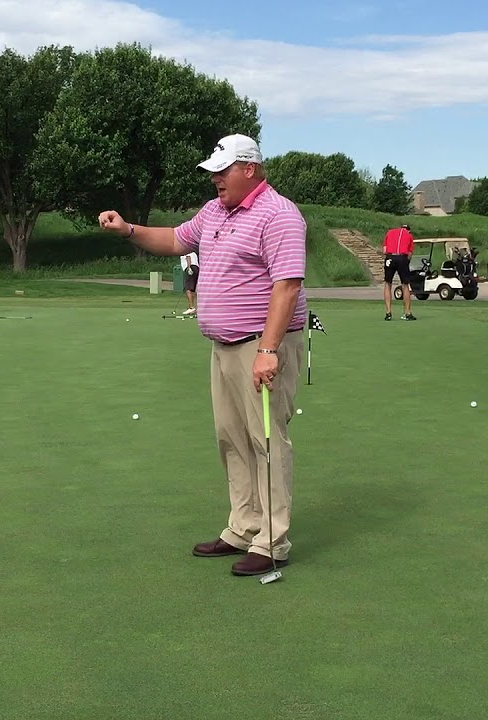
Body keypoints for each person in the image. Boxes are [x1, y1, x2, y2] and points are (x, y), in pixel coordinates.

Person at [98, 133, 307, 577]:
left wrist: (268, 350)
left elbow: (287, 286)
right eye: (213, 170)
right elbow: (175, 239)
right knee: (231, 437)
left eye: (223, 169)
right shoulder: (215, 212)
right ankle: (243, 526)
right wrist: (128, 229)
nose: (215, 178)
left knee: (266, 439)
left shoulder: (280, 214)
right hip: (224, 346)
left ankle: (272, 541)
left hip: (262, 344)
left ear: (249, 168)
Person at [383, 223, 416, 321]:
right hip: (402, 257)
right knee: (405, 284)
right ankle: (407, 313)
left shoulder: (390, 232)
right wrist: (406, 262)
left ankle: (388, 313)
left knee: (387, 284)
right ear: (408, 230)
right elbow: (409, 254)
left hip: (390, 257)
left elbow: (384, 250)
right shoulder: (409, 235)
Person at [180, 250, 200, 314]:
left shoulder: (185, 249)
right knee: (193, 289)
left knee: (188, 288)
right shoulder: (193, 252)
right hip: (196, 268)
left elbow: (188, 257)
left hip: (190, 267)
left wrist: (189, 268)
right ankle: (192, 307)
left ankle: (191, 307)